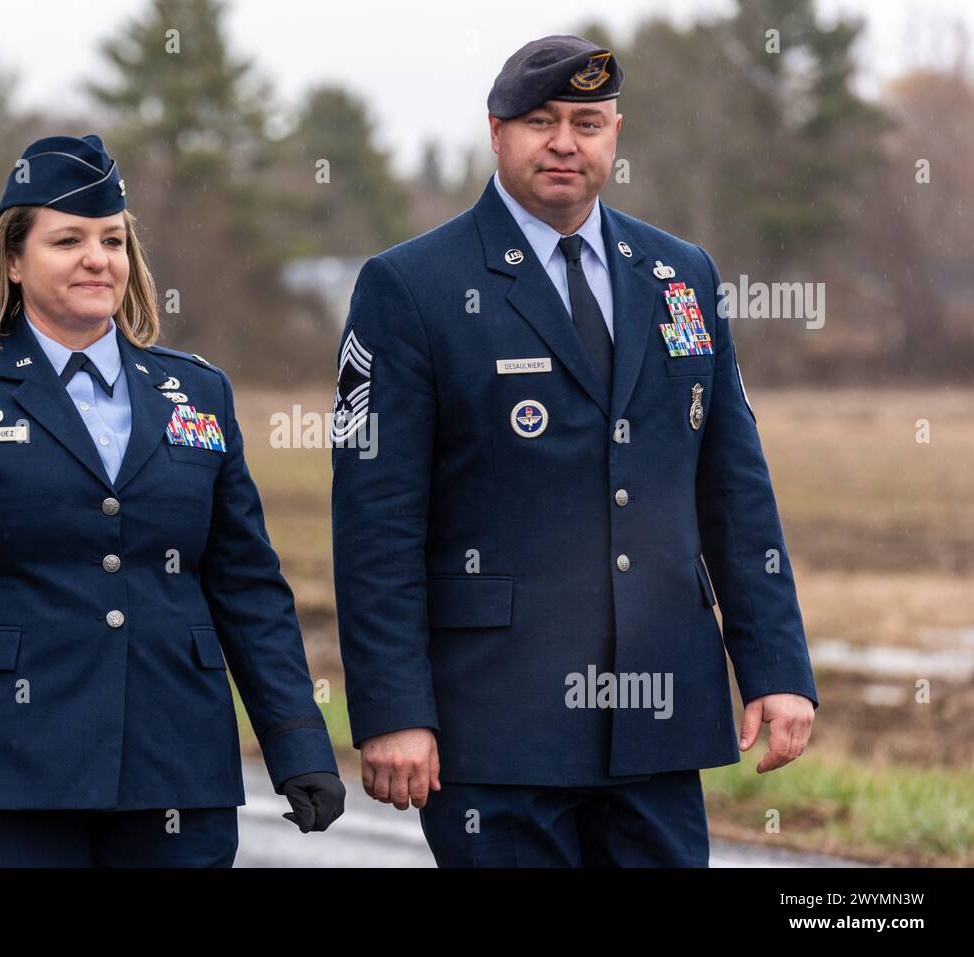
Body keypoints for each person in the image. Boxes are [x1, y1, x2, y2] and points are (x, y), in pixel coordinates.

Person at [330, 36, 817, 867]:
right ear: (495, 132)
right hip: (496, 728)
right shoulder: (412, 287)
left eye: (586, 122)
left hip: (657, 719)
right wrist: (391, 709)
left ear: (615, 134)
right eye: (540, 121)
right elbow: (377, 524)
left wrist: (777, 665)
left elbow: (733, 487)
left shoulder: (681, 274)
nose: (564, 141)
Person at [0, 133, 343, 867]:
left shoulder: (197, 390)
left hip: (175, 767)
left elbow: (246, 583)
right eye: (68, 239)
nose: (97, 257)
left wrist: (297, 737)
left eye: (112, 239)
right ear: (13, 260)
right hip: (9, 773)